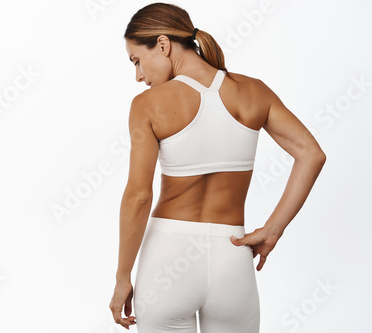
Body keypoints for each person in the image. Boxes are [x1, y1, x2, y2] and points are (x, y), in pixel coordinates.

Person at [109, 3, 326, 332]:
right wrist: (272, 229)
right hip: (232, 259)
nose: (139, 76)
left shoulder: (147, 105)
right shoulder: (253, 92)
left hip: (167, 261)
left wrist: (122, 277)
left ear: (164, 45)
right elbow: (311, 153)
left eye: (137, 60)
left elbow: (139, 195)